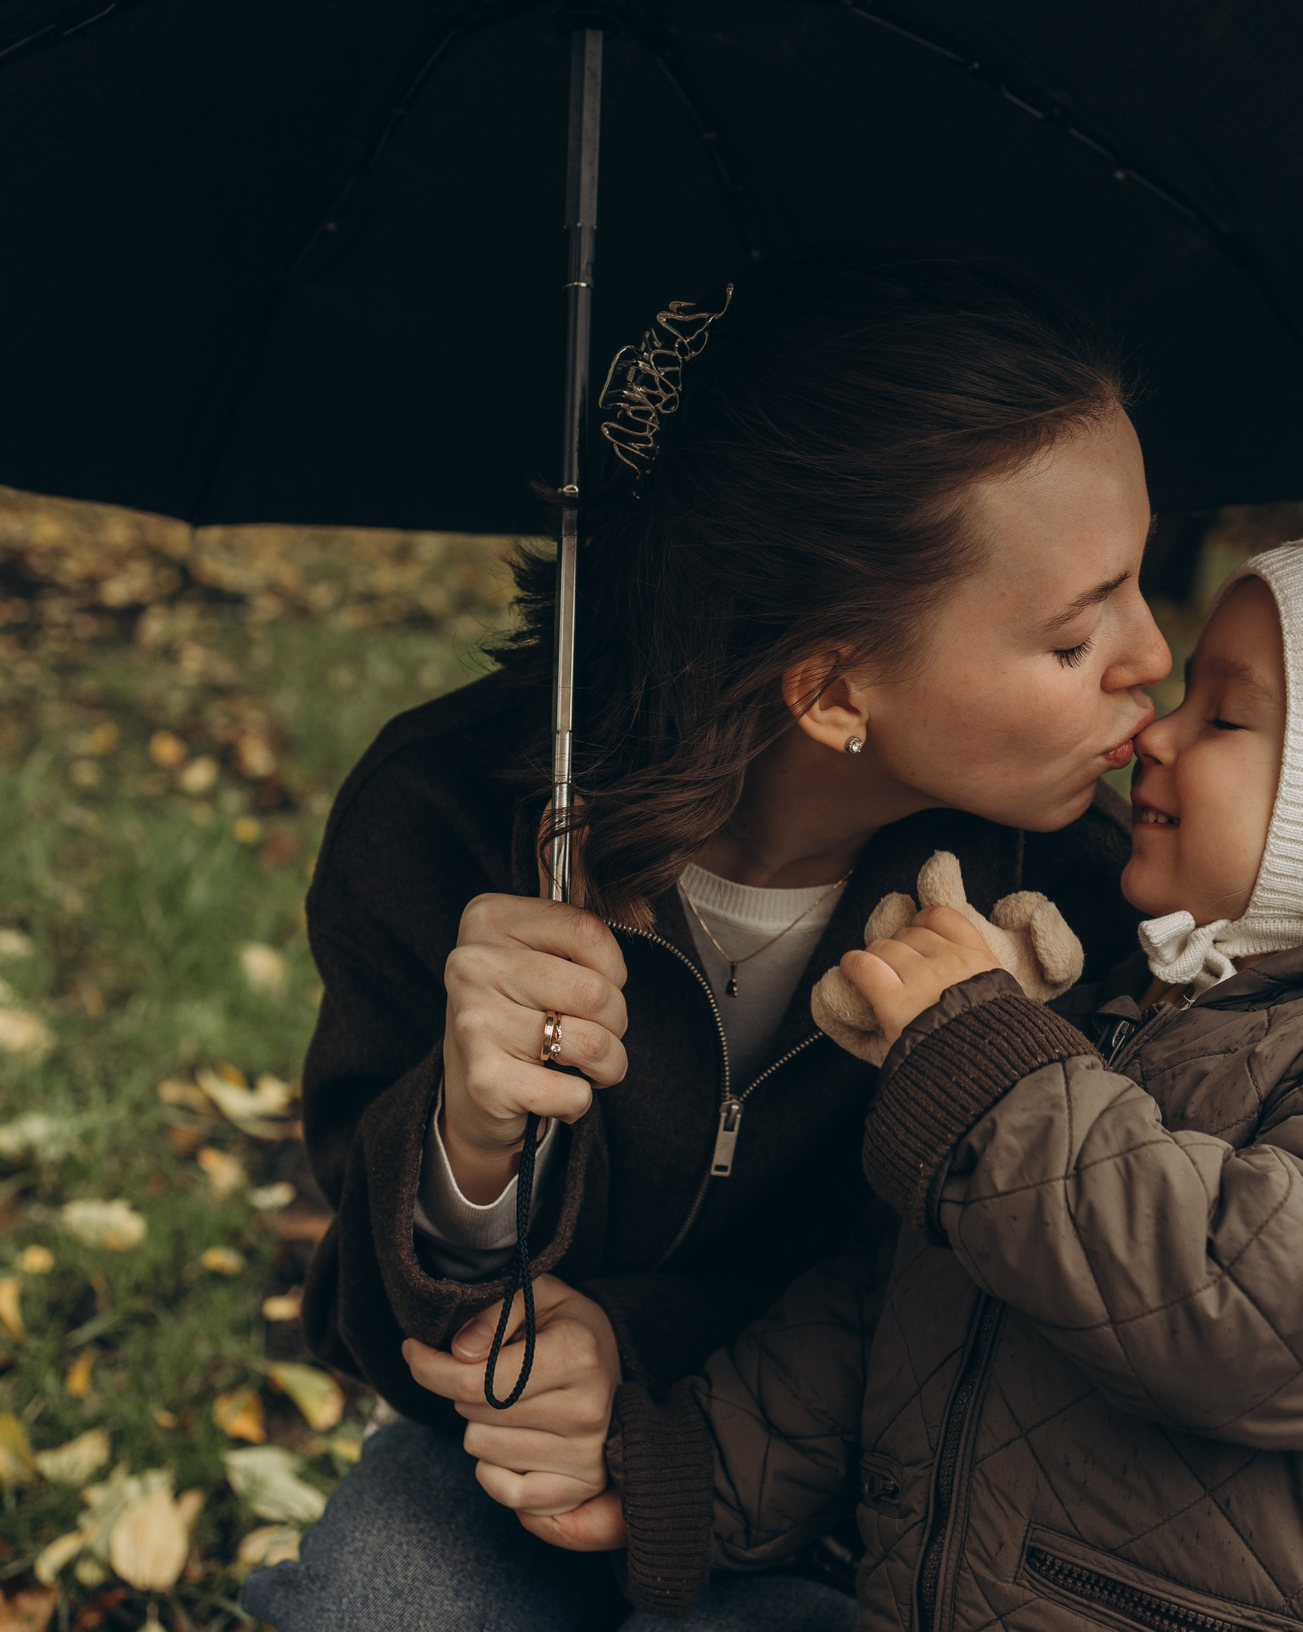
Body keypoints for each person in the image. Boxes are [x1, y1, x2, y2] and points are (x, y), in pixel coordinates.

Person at [243, 252, 1172, 1630]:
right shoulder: (446, 819)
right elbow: (378, 1311)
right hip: (518, 1491)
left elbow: (996, 1317)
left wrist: (636, 1346)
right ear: (835, 683)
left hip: (858, 1510)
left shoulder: (1075, 891)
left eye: (1141, 584)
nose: (1152, 656)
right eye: (1076, 632)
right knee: (383, 1595)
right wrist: (466, 1143)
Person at [585, 540, 1303, 1628]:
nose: (1154, 731)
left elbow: (1294, 1313)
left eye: (1225, 716)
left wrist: (996, 1085)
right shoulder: (1138, 1010)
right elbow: (908, 1297)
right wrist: (691, 1472)